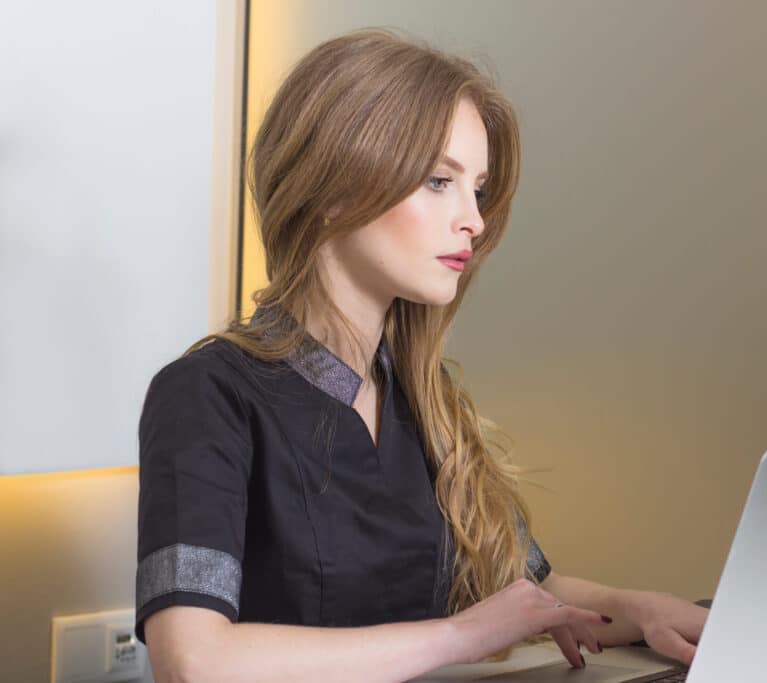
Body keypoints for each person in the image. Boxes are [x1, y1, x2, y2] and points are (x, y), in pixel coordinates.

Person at [135, 27, 709, 683]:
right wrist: (456, 635)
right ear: (334, 188)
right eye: (440, 181)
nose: (475, 219)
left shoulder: (426, 405)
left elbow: (528, 592)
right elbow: (192, 660)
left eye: (479, 189)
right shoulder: (206, 395)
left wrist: (638, 608)